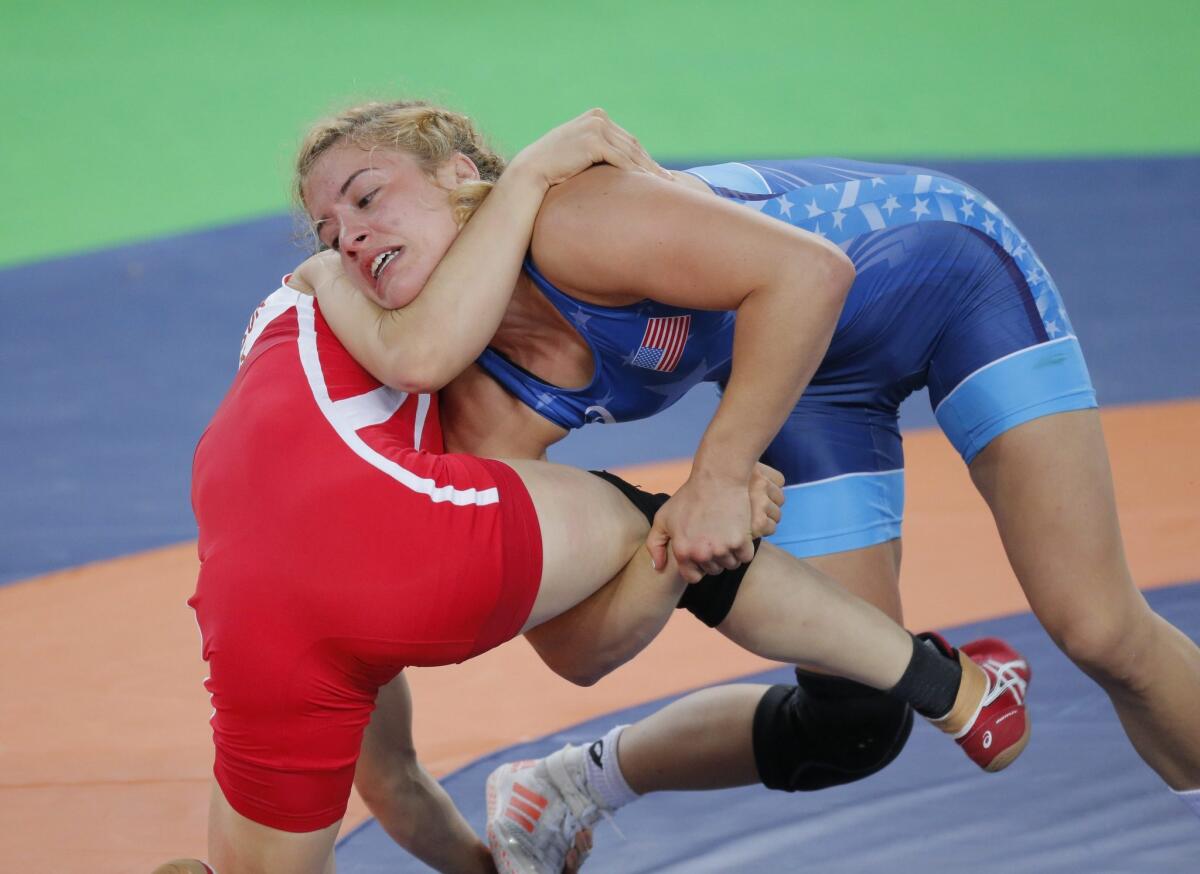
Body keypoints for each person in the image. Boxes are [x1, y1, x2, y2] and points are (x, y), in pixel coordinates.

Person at [297, 98, 1200, 868]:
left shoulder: (572, 221)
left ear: (461, 172)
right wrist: (674, 552)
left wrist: (721, 473)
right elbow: (575, 651)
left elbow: (812, 271)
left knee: (1099, 627)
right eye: (329, 233)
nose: (353, 233)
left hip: (953, 280)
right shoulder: (490, 407)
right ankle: (568, 785)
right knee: (856, 717)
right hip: (809, 374)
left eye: (368, 195)